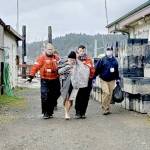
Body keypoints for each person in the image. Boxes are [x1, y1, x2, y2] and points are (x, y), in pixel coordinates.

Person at [27, 43, 61, 119]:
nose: (50, 51)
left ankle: (50, 111)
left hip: (55, 80)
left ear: (53, 50)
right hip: (45, 80)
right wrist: (31, 76)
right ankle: (45, 112)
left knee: (55, 95)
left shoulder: (57, 58)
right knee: (45, 96)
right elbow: (35, 67)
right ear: (45, 49)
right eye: (49, 49)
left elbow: (62, 67)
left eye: (51, 49)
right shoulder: (41, 58)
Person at [58, 51, 89, 120]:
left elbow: (84, 71)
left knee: (71, 100)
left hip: (75, 85)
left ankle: (67, 111)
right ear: (68, 59)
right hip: (66, 85)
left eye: (73, 60)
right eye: (70, 60)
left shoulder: (78, 65)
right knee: (67, 99)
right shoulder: (65, 64)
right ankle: (66, 113)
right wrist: (68, 67)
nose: (72, 61)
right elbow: (59, 71)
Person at [95, 47, 120, 115]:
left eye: (110, 50)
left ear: (112, 51)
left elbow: (117, 71)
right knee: (106, 93)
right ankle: (104, 108)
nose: (109, 51)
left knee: (110, 95)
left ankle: (107, 108)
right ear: (106, 51)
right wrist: (94, 76)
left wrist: (117, 79)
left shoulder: (115, 60)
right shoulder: (102, 60)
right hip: (103, 79)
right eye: (107, 50)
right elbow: (97, 68)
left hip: (112, 80)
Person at [75, 45, 95, 119]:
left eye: (83, 51)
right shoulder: (76, 59)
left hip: (88, 81)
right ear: (78, 51)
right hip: (79, 81)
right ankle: (78, 112)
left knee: (86, 97)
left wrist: (92, 77)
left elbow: (92, 70)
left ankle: (83, 112)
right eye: (80, 51)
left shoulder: (89, 59)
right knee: (79, 96)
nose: (82, 52)